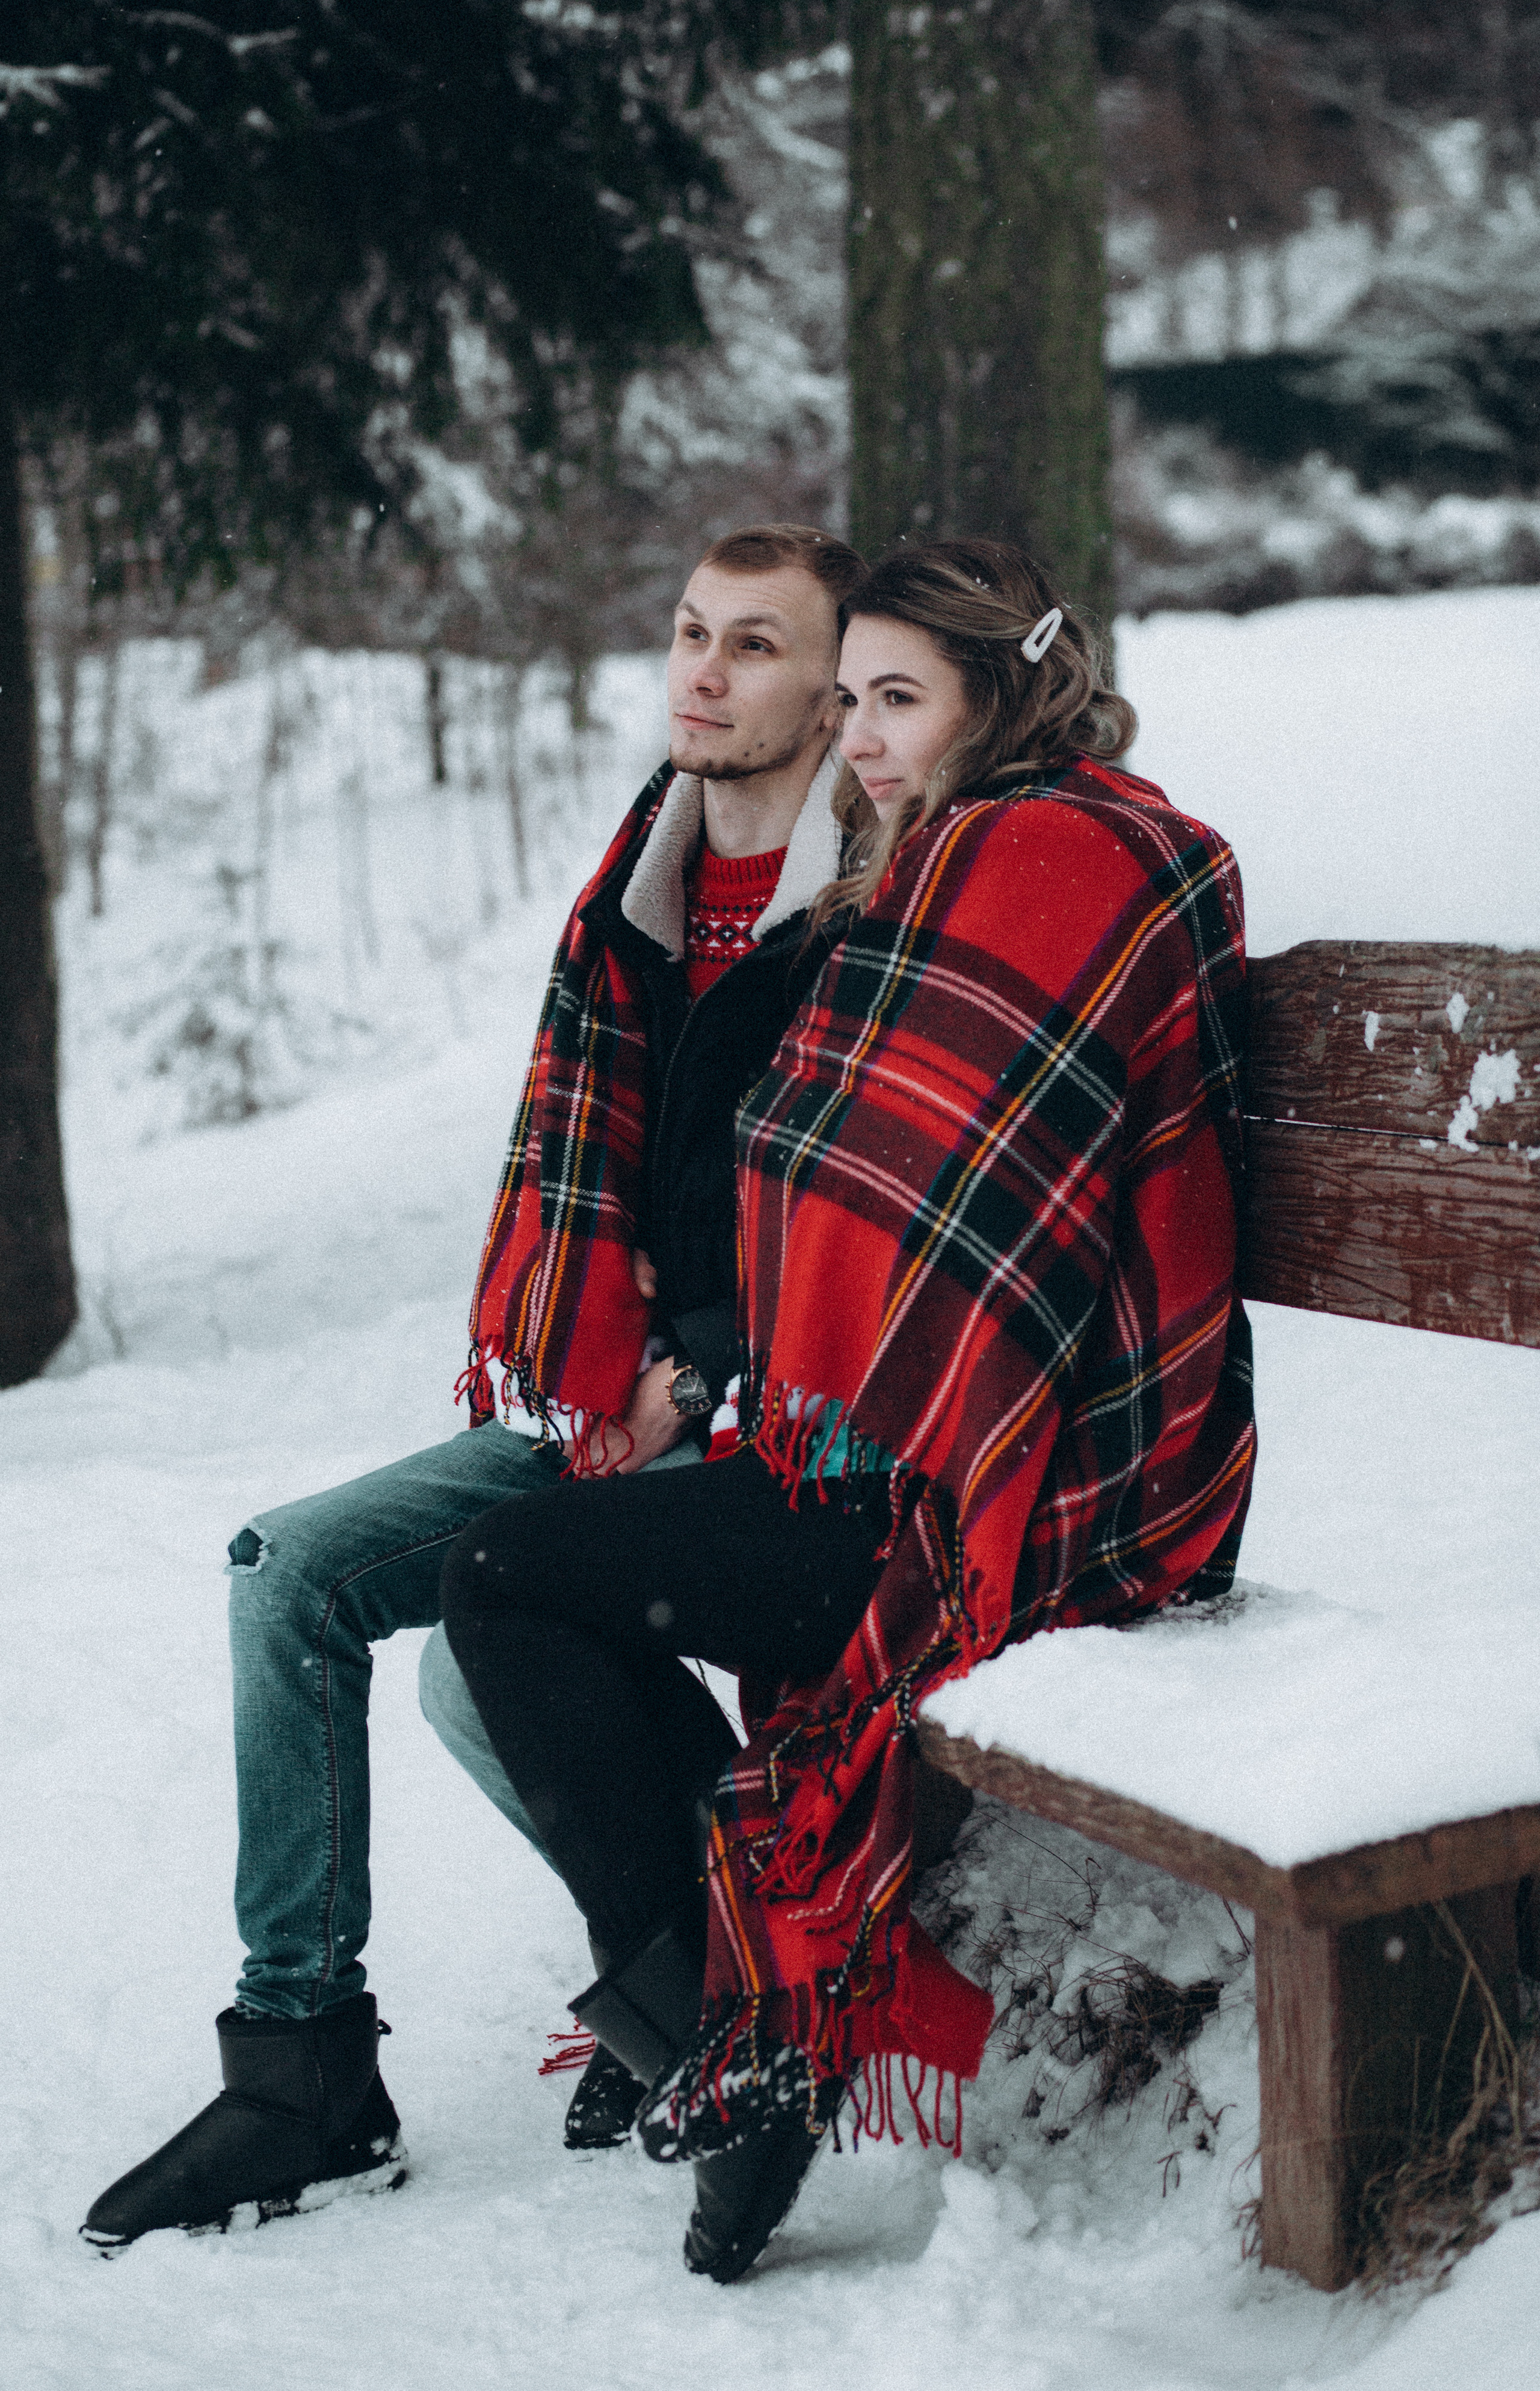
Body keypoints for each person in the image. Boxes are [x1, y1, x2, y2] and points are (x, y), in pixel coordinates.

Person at [438, 537, 1258, 2285]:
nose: (857, 734)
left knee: (508, 1578)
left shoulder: (1056, 855)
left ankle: (728, 2038)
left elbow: (945, 1197)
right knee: (513, 1577)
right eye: (857, 695)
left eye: (897, 700)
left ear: (1002, 697)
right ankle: (736, 2041)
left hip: (997, 1489)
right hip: (894, 1453)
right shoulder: (947, 863)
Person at [81, 521, 867, 2251]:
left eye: (754, 645)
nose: (704, 672)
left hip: (759, 1428)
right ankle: (304, 2067)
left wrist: (691, 1378)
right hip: (605, 1404)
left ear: (833, 696)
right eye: (687, 632)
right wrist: (604, 1373)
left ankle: (684, 1979)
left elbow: (844, 1218)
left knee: (465, 1672)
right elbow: (601, 1182)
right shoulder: (635, 890)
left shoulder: (863, 912)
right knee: (283, 1573)